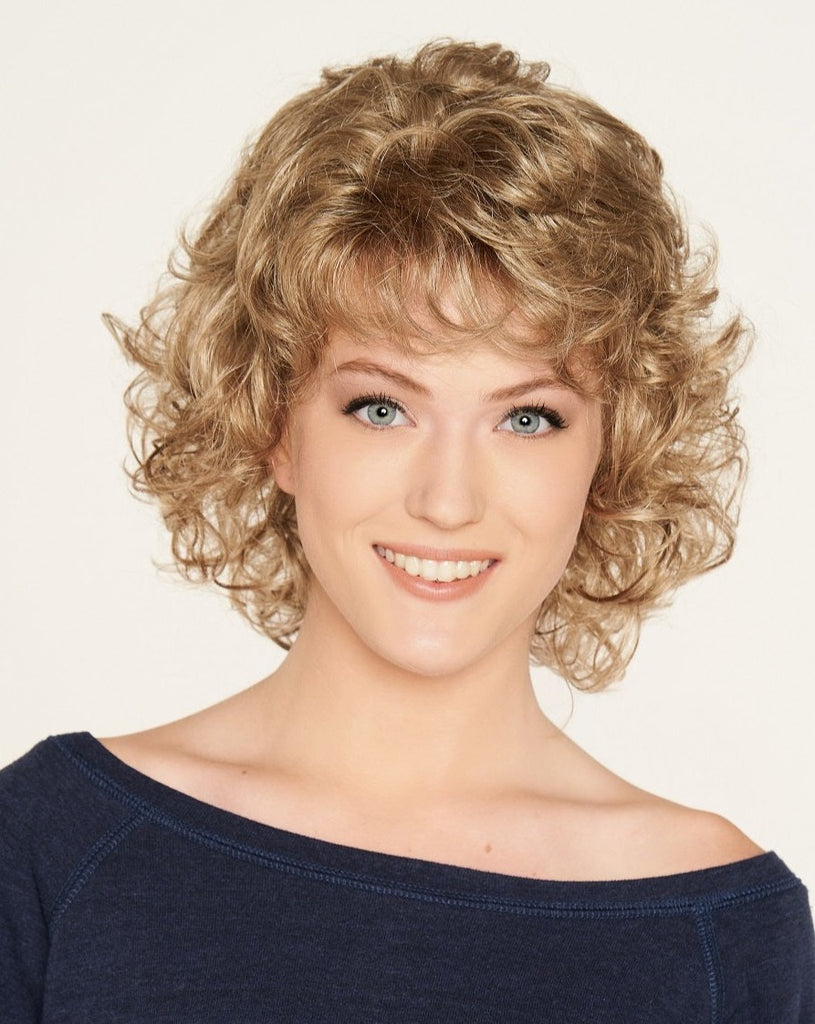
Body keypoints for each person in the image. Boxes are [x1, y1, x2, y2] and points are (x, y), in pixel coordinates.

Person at [1, 39, 812, 1022]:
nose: (447, 500)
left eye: (527, 418)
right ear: (273, 423)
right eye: (381, 407)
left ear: (610, 454)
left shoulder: (720, 926)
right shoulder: (54, 851)